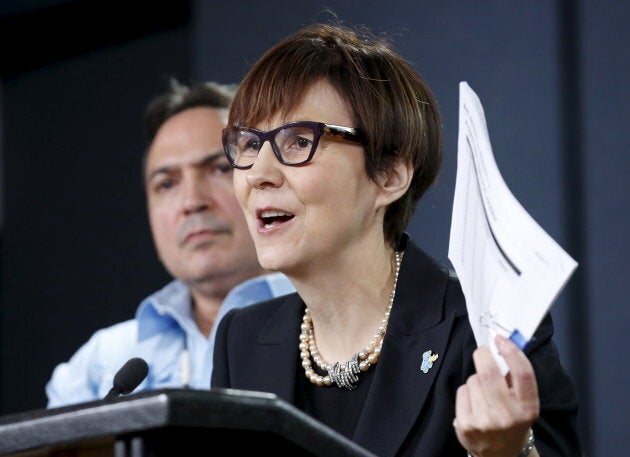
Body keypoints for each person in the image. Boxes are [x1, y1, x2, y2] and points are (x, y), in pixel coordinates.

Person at [212, 23, 581, 457]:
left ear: (389, 177)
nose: (257, 174)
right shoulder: (243, 340)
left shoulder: (485, 332)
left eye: (298, 142)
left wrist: (508, 452)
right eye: (249, 144)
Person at [45, 79, 294, 408]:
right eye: (167, 184)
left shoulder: (333, 327)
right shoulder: (100, 365)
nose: (191, 201)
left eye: (219, 168)